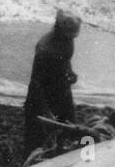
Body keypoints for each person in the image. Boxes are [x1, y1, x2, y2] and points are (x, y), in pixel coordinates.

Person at [23, 11, 81, 158]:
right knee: (37, 142)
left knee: (70, 130)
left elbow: (66, 58)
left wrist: (70, 72)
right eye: (68, 35)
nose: (71, 38)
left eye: (73, 35)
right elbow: (36, 83)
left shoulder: (68, 38)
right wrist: (45, 110)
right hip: (41, 94)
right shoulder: (45, 48)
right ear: (59, 29)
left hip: (61, 89)